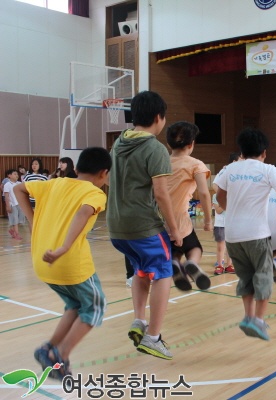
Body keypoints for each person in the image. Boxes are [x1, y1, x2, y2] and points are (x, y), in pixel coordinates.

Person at [13, 147, 112, 380]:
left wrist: (33, 220)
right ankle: (59, 354)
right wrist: (65, 247)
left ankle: (47, 349)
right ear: (104, 173)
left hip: (42, 262)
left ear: (76, 168)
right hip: (70, 264)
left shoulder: (53, 183)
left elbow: (19, 189)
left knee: (75, 305)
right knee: (95, 307)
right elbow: (83, 212)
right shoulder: (95, 193)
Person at [106, 90, 183, 360]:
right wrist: (173, 229)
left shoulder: (118, 143)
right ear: (158, 117)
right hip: (144, 226)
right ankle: (153, 336)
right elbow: (161, 194)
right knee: (163, 273)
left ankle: (139, 320)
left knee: (140, 270)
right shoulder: (154, 148)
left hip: (117, 227)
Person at [214, 128, 276, 341]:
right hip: (256, 234)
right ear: (264, 152)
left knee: (245, 276)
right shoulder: (268, 170)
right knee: (264, 275)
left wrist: (233, 213)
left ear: (242, 149)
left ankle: (248, 316)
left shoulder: (229, 169)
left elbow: (219, 197)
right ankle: (258, 319)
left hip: (232, 235)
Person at [165, 121, 212, 291]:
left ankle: (175, 263)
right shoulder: (195, 164)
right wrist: (208, 220)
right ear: (191, 144)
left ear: (168, 143)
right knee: (194, 247)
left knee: (175, 248)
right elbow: (204, 193)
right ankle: (191, 263)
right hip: (180, 216)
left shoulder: (161, 161)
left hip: (159, 217)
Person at [212, 152, 240, 275]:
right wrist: (227, 198)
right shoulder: (225, 171)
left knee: (231, 246)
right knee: (221, 246)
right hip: (220, 223)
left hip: (232, 221)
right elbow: (214, 186)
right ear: (234, 161)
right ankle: (219, 265)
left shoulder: (240, 174)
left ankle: (229, 265)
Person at [3, 169, 24, 240]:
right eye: (14, 174)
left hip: (19, 203)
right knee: (15, 219)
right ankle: (16, 233)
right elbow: (6, 196)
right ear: (9, 175)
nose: (17, 175)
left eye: (17, 174)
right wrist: (8, 205)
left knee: (20, 219)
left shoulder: (19, 183)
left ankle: (12, 230)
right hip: (12, 204)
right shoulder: (7, 185)